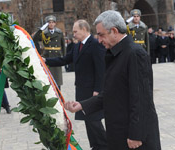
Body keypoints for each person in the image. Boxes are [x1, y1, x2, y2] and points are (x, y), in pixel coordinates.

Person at [65, 10, 161, 150]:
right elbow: (111, 92)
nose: (99, 40)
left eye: (101, 35)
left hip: (134, 138)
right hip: (120, 133)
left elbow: (141, 98)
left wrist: (136, 134)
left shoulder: (134, 54)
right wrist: (82, 105)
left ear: (114, 31)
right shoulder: (115, 53)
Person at [44, 19, 107, 150]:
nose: (73, 34)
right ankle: (96, 145)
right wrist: (46, 61)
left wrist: (98, 89)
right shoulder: (78, 45)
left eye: (75, 31)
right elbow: (65, 59)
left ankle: (104, 145)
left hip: (92, 91)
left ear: (84, 29)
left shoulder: (95, 44)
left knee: (94, 120)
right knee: (88, 120)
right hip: (82, 89)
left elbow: (101, 69)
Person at [33, 15, 65, 89]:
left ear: (55, 23)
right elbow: (34, 39)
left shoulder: (59, 32)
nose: (51, 24)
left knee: (57, 79)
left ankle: (59, 96)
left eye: (52, 22)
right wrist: (40, 30)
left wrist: (64, 57)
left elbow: (63, 45)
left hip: (57, 56)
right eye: (49, 22)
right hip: (48, 56)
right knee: (49, 79)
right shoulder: (44, 33)